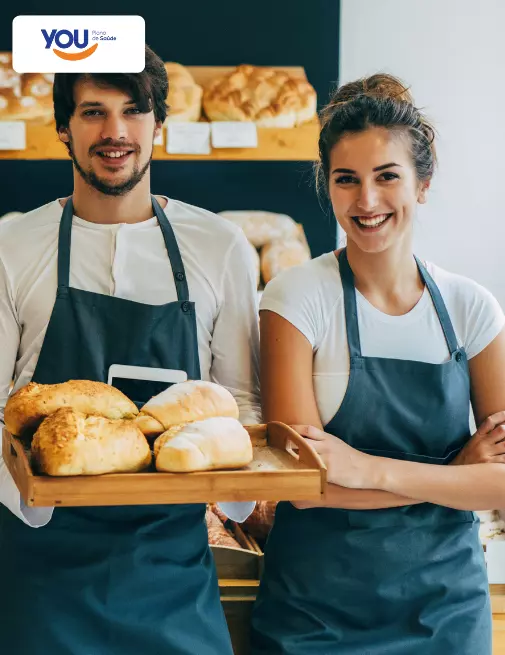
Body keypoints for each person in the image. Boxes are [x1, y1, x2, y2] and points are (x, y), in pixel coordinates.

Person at [0, 45, 260, 654]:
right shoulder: (12, 246)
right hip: (43, 579)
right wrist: (41, 500)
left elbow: (240, 406)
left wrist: (235, 493)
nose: (114, 131)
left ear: (158, 125)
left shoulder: (220, 249)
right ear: (62, 128)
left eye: (132, 110)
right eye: (92, 112)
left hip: (172, 578)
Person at [250, 73, 505, 654]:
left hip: (445, 614)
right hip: (315, 614)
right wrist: (455, 473)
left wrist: (366, 470)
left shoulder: (471, 310)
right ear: (328, 187)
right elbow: (303, 490)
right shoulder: (293, 300)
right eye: (347, 180)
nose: (366, 201)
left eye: (387, 177)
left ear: (423, 184)